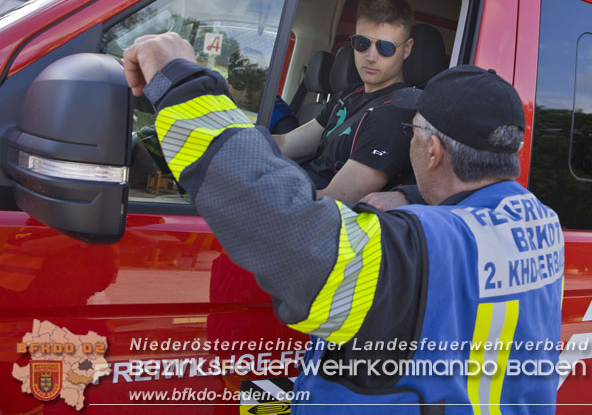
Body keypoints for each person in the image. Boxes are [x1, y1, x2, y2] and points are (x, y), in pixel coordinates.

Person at [123, 32, 565, 414]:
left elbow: (288, 233)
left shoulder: (420, 253)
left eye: (412, 133)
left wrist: (182, 87)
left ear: (432, 153)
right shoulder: (541, 226)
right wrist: (409, 193)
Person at [274, 0, 416, 203]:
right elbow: (287, 143)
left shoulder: (395, 114)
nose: (371, 56)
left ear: (407, 49)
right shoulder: (349, 95)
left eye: (386, 48)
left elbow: (332, 201)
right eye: (362, 43)